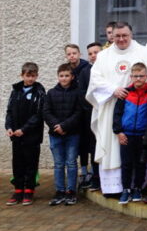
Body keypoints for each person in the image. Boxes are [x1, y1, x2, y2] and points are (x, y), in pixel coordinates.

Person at [86, 22, 147, 193]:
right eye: (118, 36)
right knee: (111, 144)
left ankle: (136, 186)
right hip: (110, 106)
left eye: (125, 35)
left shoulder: (143, 52)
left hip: (137, 108)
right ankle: (113, 188)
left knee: (134, 148)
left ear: (131, 34)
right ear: (112, 36)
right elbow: (95, 80)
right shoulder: (103, 55)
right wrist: (113, 89)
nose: (121, 39)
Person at [5, 62, 46, 206]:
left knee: (30, 163)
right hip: (16, 135)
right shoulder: (15, 91)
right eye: (27, 76)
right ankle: (18, 190)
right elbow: (9, 111)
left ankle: (29, 190)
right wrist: (9, 127)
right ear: (22, 75)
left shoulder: (39, 92)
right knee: (17, 163)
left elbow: (38, 115)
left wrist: (24, 129)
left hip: (31, 135)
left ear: (37, 76)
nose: (30, 79)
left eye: (33, 76)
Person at [44, 63, 84, 206]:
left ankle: (71, 191)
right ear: (58, 77)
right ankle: (60, 190)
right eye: (61, 76)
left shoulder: (77, 92)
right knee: (59, 164)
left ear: (72, 77)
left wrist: (65, 126)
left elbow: (79, 112)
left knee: (71, 163)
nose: (64, 78)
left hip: (72, 133)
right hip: (55, 134)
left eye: (67, 75)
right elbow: (46, 112)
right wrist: (57, 126)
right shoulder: (51, 93)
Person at [112, 62, 147, 204]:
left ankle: (138, 189)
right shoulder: (125, 93)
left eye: (141, 76)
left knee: (141, 164)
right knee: (127, 163)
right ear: (131, 77)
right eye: (135, 76)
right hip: (127, 135)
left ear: (146, 76)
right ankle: (126, 189)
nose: (138, 79)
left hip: (142, 136)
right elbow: (117, 114)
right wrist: (119, 132)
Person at [65, 43, 93, 189]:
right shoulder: (66, 70)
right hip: (73, 112)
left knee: (89, 141)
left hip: (87, 110)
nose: (72, 56)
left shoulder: (87, 69)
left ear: (79, 54)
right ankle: (82, 170)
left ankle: (92, 171)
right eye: (69, 54)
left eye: (74, 53)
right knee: (78, 142)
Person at [84, 42, 103, 191]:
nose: (93, 56)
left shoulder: (105, 68)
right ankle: (96, 179)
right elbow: (83, 94)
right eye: (90, 53)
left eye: (96, 52)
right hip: (91, 114)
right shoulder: (86, 71)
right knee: (93, 149)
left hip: (106, 112)